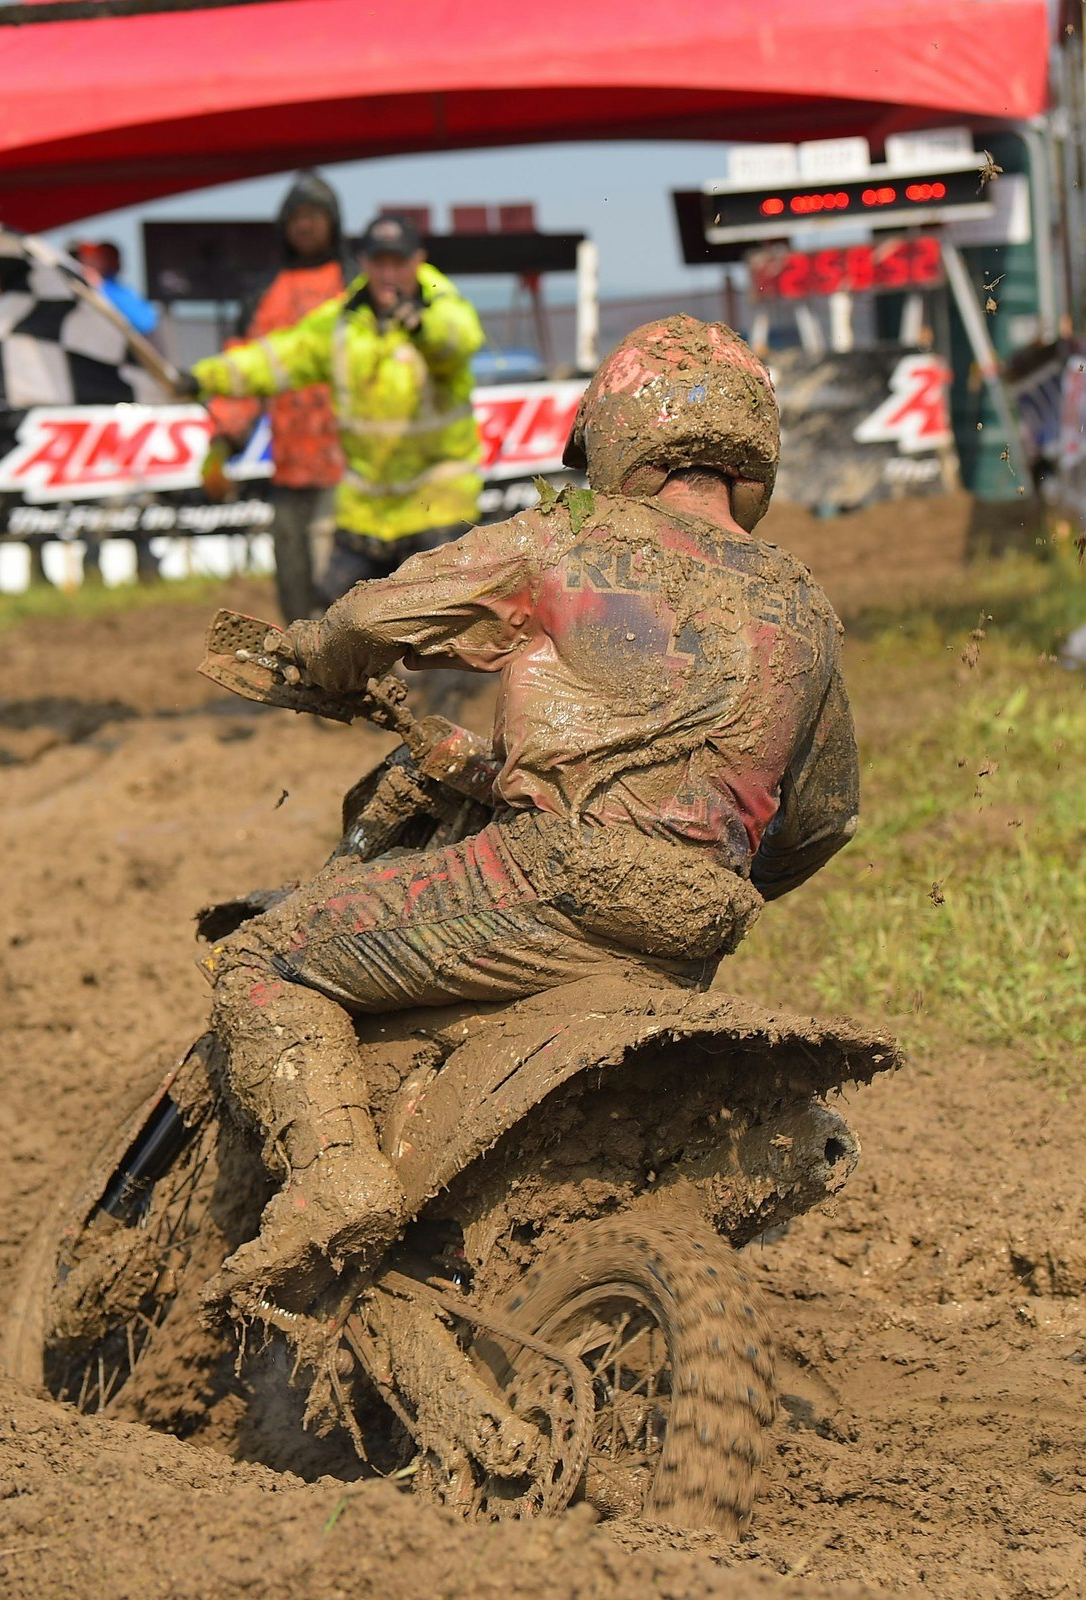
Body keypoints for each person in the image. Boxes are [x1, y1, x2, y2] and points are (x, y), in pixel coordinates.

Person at [198, 316, 860, 1311]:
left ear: (620, 433)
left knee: (262, 958)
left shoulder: (571, 536)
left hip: (544, 886)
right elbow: (822, 819)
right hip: (694, 928)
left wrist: (314, 658)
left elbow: (370, 617)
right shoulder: (802, 604)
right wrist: (693, 865)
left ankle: (335, 1184)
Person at [189, 213, 485, 607]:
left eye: (398, 262)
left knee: (446, 630)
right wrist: (204, 377)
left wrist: (420, 327)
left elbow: (459, 338)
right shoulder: (341, 322)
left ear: (418, 260)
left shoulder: (442, 305)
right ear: (364, 262)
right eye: (379, 262)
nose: (389, 273)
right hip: (365, 513)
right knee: (334, 624)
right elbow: (278, 357)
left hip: (439, 508)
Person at [208, 171, 349, 621]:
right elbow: (243, 372)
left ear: (332, 222)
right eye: (296, 217)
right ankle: (304, 662)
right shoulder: (264, 294)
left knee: (340, 587)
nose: (305, 225)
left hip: (352, 468)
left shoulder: (355, 286)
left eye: (314, 215)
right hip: (289, 466)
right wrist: (220, 443)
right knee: (293, 585)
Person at [72, 239, 159, 336]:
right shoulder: (76, 286)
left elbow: (145, 323)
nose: (86, 263)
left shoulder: (117, 291)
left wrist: (99, 286)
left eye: (95, 258)